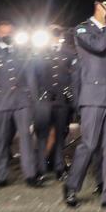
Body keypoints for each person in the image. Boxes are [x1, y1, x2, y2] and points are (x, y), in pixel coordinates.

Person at [64, 0, 106, 209]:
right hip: (93, 96)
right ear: (100, 6)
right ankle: (72, 186)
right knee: (89, 144)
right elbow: (98, 46)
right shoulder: (83, 29)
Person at [0, 21, 41, 188]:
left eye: (10, 31)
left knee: (26, 139)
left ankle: (30, 175)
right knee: (0, 140)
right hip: (0, 103)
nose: (7, 34)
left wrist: (35, 100)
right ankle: (0, 176)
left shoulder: (22, 52)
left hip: (22, 101)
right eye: (4, 31)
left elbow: (31, 78)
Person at [32, 26, 77, 181]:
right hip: (44, 99)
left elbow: (75, 75)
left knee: (59, 135)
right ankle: (40, 169)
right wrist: (36, 96)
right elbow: (33, 76)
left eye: (58, 33)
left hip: (62, 99)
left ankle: (59, 168)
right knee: (43, 135)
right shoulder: (39, 53)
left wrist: (71, 95)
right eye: (53, 33)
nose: (55, 36)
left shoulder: (69, 53)